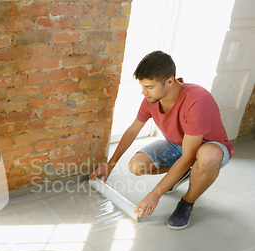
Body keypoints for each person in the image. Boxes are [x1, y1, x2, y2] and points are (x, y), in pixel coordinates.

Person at [89, 51, 234, 230]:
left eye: (149, 87)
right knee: (137, 165)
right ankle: (187, 173)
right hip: (177, 145)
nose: (144, 92)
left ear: (170, 81)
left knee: (207, 157)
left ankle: (187, 202)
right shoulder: (151, 99)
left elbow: (189, 155)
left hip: (209, 147)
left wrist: (155, 193)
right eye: (142, 86)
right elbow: (133, 130)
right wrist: (110, 164)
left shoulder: (197, 99)